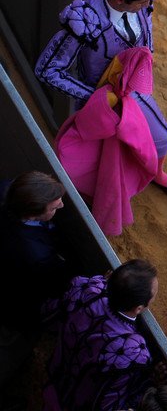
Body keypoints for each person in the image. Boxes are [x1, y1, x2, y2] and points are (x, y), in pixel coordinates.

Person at [35, 0, 167, 199]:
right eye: (143, 1)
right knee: (147, 139)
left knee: (156, 136)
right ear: (119, 1)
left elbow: (147, 26)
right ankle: (114, 188)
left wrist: (147, 53)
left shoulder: (142, 2)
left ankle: (156, 173)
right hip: (103, 95)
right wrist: (93, 96)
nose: (150, 2)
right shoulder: (87, 20)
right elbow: (48, 69)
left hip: (133, 85)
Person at [55, 47, 163, 236]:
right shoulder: (124, 108)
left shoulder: (106, 98)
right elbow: (147, 153)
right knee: (110, 182)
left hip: (91, 125)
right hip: (109, 142)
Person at [0, 171, 78, 409]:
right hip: (15, 306)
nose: (62, 205)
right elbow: (54, 285)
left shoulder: (8, 190)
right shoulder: (39, 256)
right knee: (15, 346)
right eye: (54, 207)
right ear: (34, 212)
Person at [43, 259, 160, 411]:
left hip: (55, 377)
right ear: (138, 308)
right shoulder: (133, 350)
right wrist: (152, 381)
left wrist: (101, 284)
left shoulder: (88, 289)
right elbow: (111, 403)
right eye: (154, 296)